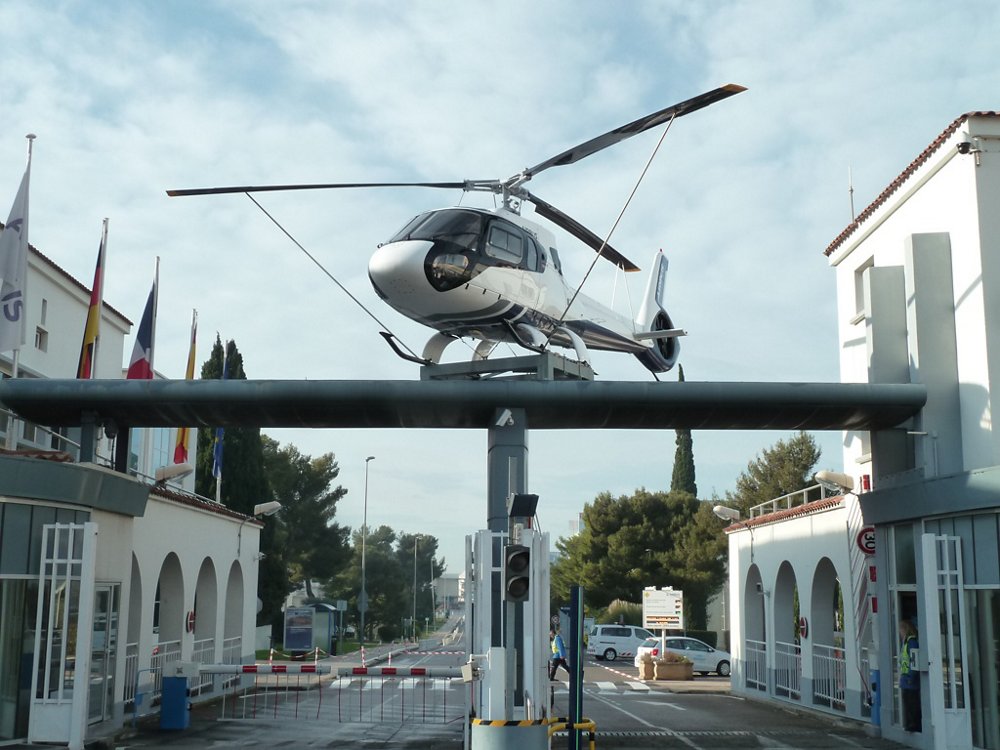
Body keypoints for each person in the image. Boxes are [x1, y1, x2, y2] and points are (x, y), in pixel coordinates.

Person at [898, 619, 921, 732]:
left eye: (901, 630)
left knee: (912, 703)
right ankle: (910, 723)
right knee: (907, 702)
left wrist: (911, 677)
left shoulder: (911, 642)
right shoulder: (906, 642)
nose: (900, 633)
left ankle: (914, 724)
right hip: (906, 678)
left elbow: (914, 660)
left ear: (905, 629)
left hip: (909, 679)